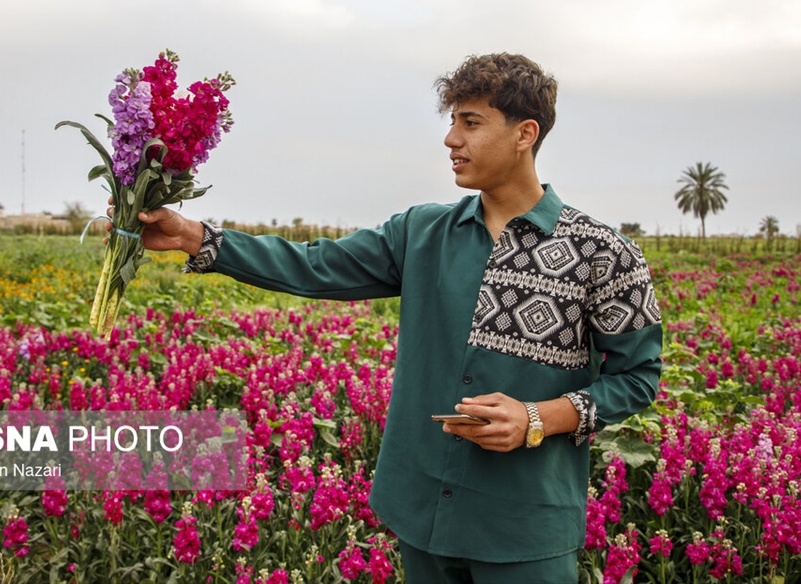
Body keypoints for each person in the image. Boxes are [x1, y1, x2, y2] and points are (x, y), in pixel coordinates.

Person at [132, 53, 663, 583]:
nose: (451, 139)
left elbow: (637, 378)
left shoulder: (603, 254)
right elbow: (315, 265)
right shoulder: (421, 232)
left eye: (471, 123)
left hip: (525, 528)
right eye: (452, 121)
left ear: (525, 134)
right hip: (421, 512)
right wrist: (192, 236)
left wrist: (538, 417)